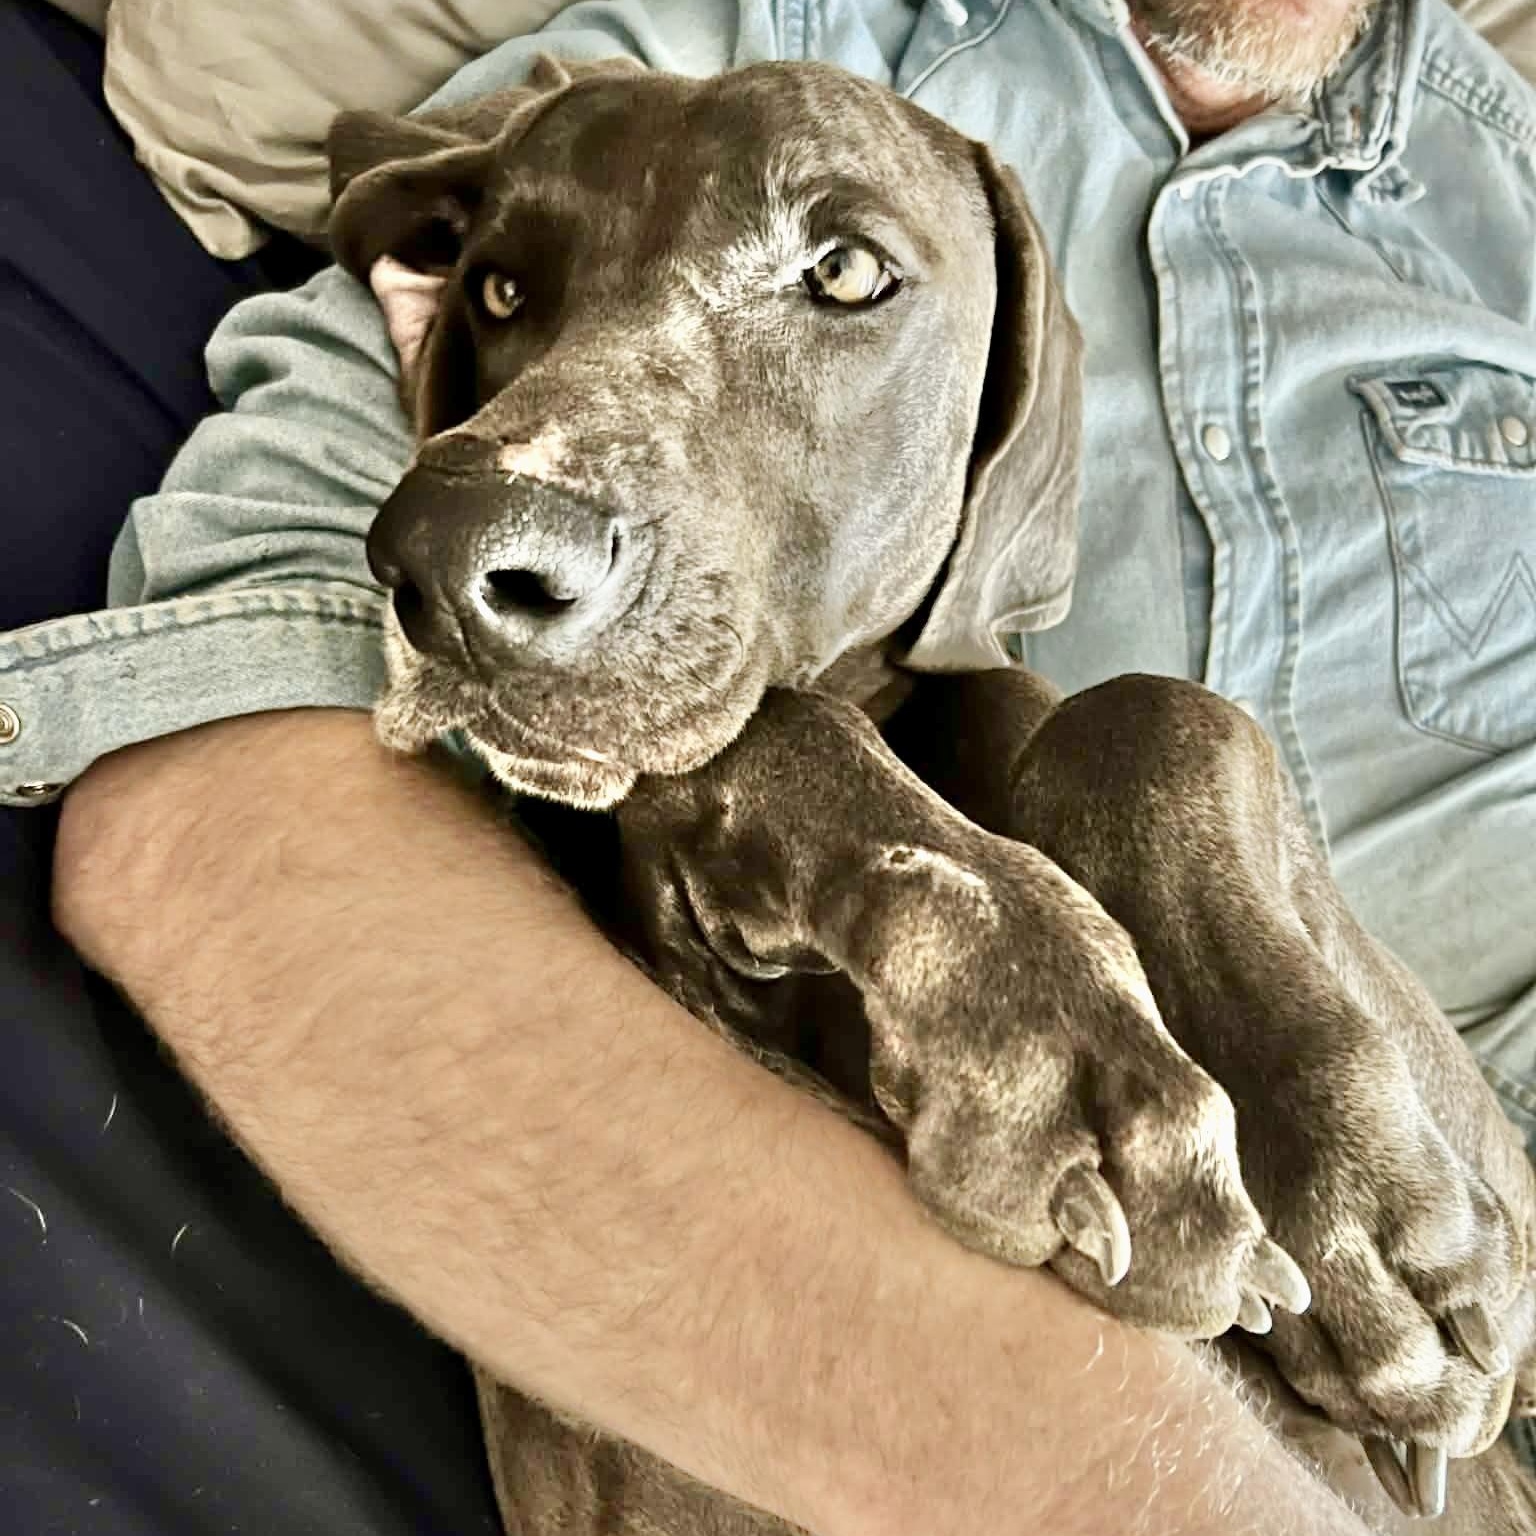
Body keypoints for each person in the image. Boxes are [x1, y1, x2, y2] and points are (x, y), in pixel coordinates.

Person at [4, 0, 1533, 1531]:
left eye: (847, 278)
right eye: (513, 296)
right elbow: (225, 786)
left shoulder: (1510, 170)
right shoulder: (739, 46)